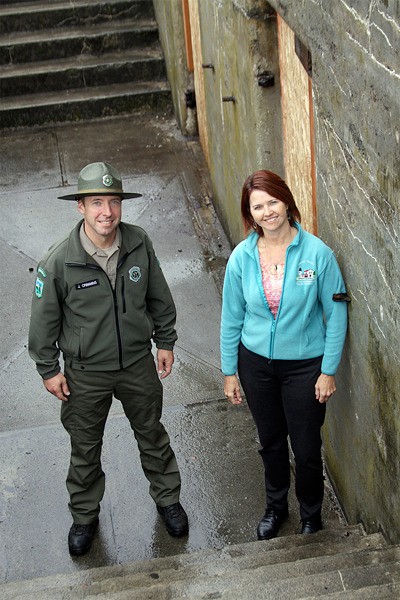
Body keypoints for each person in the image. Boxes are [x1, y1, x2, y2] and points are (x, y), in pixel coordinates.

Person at [29, 162, 188, 556]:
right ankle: (84, 516)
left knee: (152, 434)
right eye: (96, 202)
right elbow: (42, 323)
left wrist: (165, 341)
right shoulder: (58, 262)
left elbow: (159, 297)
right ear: (79, 207)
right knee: (84, 446)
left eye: (113, 201)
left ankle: (168, 499)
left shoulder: (138, 242)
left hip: (137, 364)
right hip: (85, 373)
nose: (107, 212)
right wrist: (48, 370)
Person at [220, 170, 349, 540]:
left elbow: (336, 313)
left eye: (272, 202)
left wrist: (328, 370)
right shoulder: (241, 258)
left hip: (306, 366)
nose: (267, 212)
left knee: (306, 447)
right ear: (250, 213)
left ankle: (311, 514)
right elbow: (232, 317)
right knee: (271, 442)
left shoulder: (317, 254)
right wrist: (230, 371)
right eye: (257, 206)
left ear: (287, 201)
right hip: (255, 364)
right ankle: (276, 508)